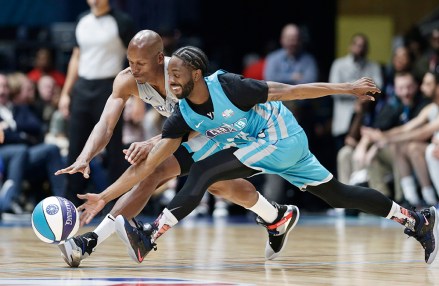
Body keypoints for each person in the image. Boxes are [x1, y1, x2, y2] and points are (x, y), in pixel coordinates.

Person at [112, 46, 437, 265]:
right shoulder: (182, 113)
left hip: (280, 135)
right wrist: (109, 193)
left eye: (177, 75)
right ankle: (416, 220)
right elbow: (157, 158)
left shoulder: (231, 86)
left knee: (203, 171)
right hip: (267, 144)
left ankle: (150, 235)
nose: (171, 81)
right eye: (169, 75)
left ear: (196, 74)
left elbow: (294, 91)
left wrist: (346, 87)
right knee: (337, 195)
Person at [55, 30, 287, 267]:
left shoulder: (182, 75)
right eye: (130, 62)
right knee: (215, 185)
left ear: (159, 59)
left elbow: (201, 119)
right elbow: (105, 125)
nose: (134, 69)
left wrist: (153, 142)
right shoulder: (127, 80)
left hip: (219, 128)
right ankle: (275, 216)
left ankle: (89, 242)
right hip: (185, 135)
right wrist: (85, 156)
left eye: (141, 64)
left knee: (156, 171)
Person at [58, 0, 135, 207]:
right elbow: (76, 56)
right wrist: (66, 93)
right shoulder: (82, 20)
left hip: (110, 87)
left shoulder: (122, 21)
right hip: (82, 88)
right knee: (76, 146)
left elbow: (134, 59)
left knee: (113, 148)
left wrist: (136, 99)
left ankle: (116, 204)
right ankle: (70, 204)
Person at [329, 33, 383, 152]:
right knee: (342, 155)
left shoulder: (373, 66)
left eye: (363, 46)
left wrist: (351, 89)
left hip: (366, 119)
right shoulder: (339, 64)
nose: (360, 48)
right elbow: (333, 90)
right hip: (343, 119)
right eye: (357, 45)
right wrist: (359, 89)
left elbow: (378, 87)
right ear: (350, 46)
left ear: (367, 49)